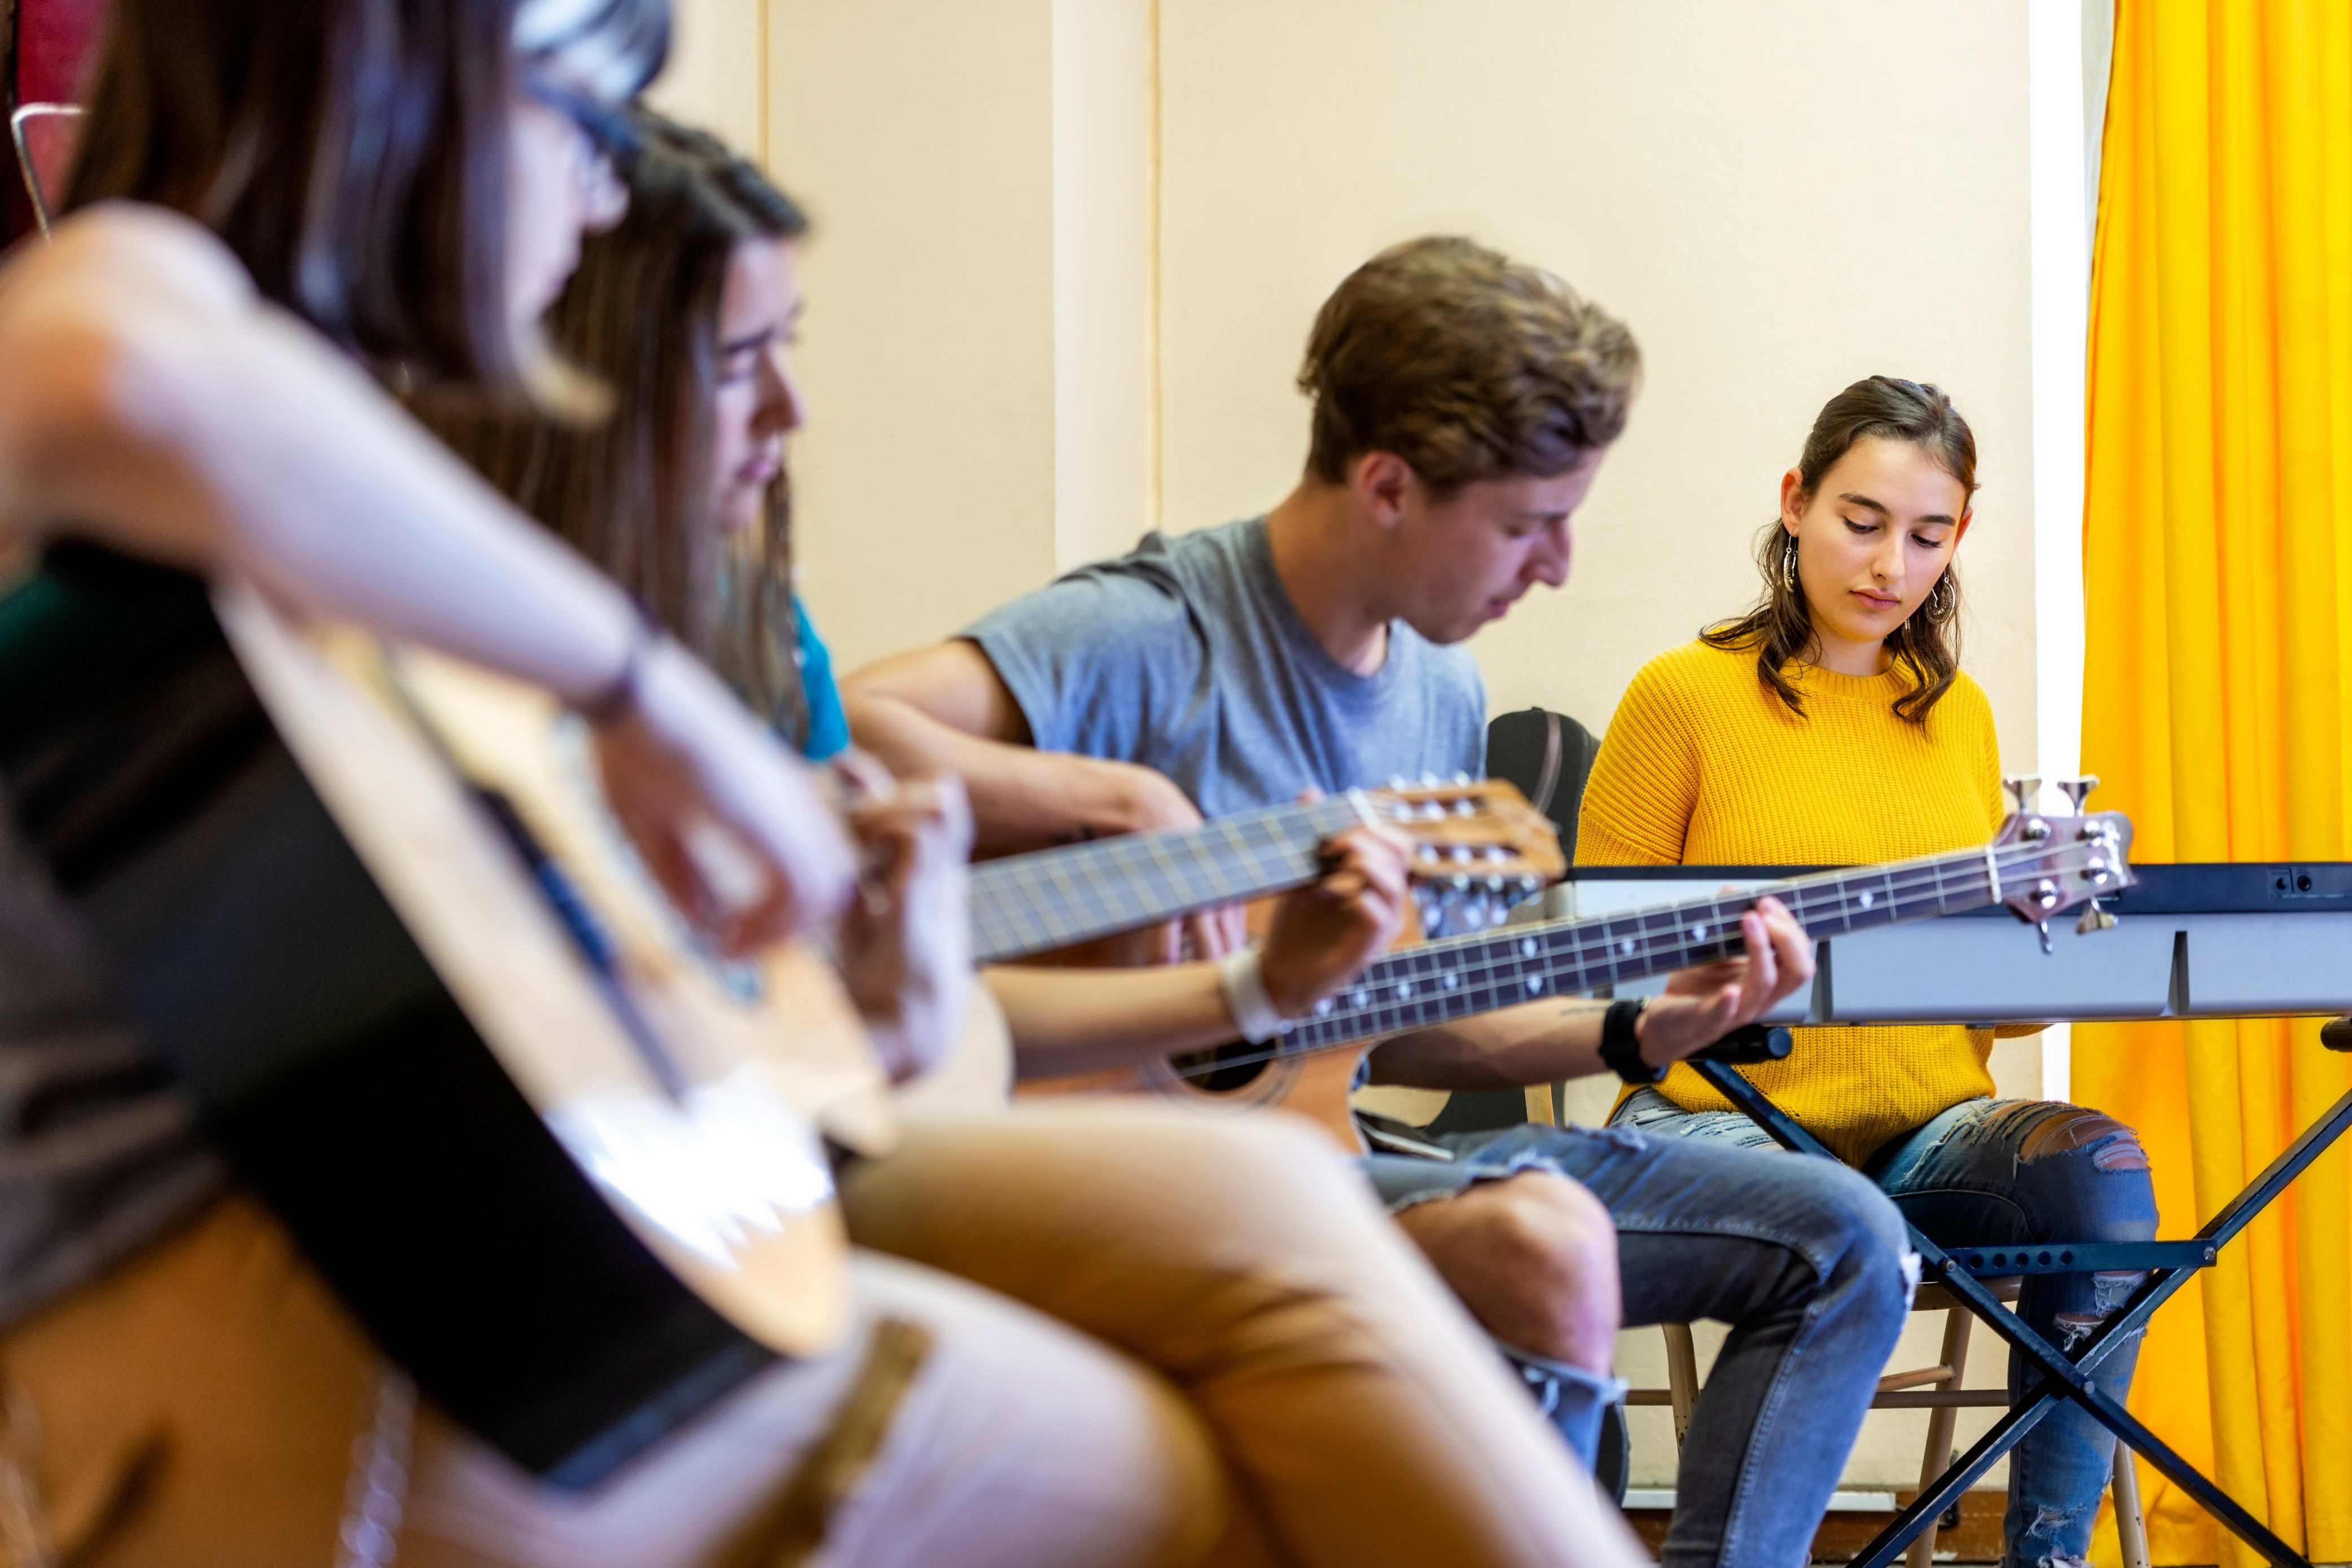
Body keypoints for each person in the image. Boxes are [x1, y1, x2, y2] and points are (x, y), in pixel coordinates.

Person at [0, 10, 1649, 1556]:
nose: (592, 195)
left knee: (1269, 1209)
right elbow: (108, 348)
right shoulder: (167, 389)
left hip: (550, 1222)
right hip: (331, 1330)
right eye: (579, 118)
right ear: (400, 105)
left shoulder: (357, 524)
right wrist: (650, 697)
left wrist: (952, 986)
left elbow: (679, 1034)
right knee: (1219, 1439)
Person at [844, 235, 1916, 1567]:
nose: (1559, 565)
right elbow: (843, 720)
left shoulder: (1439, 693)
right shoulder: (1153, 629)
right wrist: (1111, 803)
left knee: (1845, 1236)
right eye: (1528, 523)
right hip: (1106, 1155)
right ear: (1388, 485)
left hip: (1323, 1148)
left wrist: (1641, 1028)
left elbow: (1392, 1024)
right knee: (1538, 1237)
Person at [1579, 375, 2160, 1568]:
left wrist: (2041, 959)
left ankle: (2045, 1552)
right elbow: (1596, 965)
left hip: (1922, 1123)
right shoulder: (1679, 695)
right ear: (1792, 504)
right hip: (1718, 1118)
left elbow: (1982, 1004)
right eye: (1859, 519)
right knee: (1823, 1215)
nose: (1889, 561)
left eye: (1926, 533)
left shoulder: (1960, 719)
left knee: (2100, 1173)